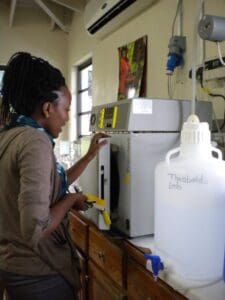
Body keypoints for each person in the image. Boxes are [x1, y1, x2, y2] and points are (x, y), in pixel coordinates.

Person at [0, 52, 108, 300]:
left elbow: (52, 185)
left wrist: (90, 155)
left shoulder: (11, 134)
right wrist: (70, 201)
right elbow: (36, 229)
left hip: (14, 267)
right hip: (38, 273)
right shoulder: (35, 142)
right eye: (66, 109)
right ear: (48, 108)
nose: (68, 118)